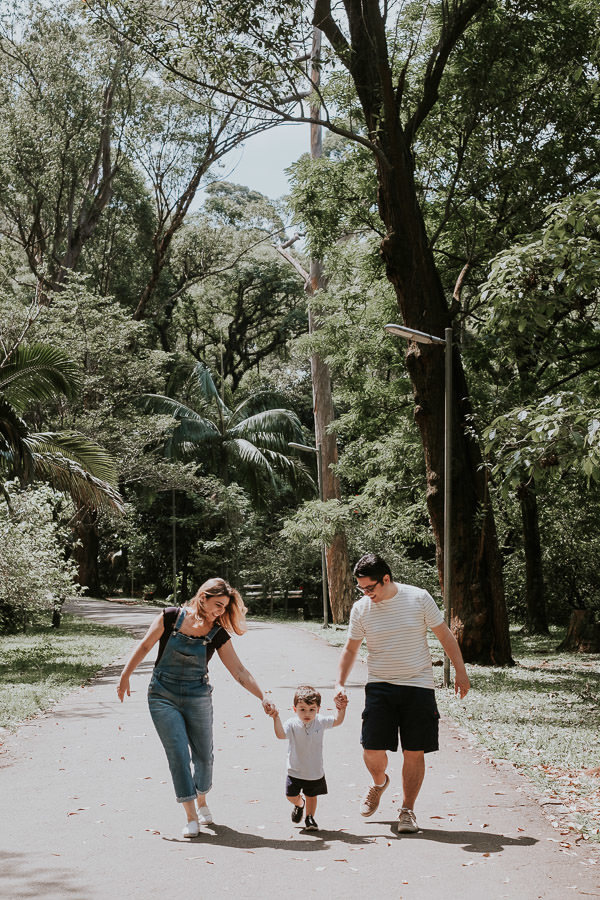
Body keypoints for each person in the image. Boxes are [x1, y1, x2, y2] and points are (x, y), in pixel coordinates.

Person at [117, 577, 274, 837]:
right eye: (218, 605)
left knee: (204, 757)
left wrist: (262, 696)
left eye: (224, 607)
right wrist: (125, 675)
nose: (220, 611)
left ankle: (202, 799)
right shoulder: (170, 617)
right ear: (203, 598)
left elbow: (239, 671)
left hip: (197, 695)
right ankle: (191, 816)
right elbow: (145, 645)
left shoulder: (217, 634)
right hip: (162, 695)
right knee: (178, 753)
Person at [334, 552, 470, 834]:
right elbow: (350, 648)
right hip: (380, 684)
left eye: (370, 587)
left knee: (414, 750)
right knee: (371, 749)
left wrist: (460, 671)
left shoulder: (418, 598)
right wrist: (339, 683)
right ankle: (379, 782)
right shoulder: (361, 609)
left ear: (386, 579)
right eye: (361, 588)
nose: (366, 593)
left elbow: (444, 635)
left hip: (418, 685)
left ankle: (407, 810)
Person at [266, 684, 348, 831]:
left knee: (312, 795)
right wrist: (276, 718)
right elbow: (280, 735)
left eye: (312, 709)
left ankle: (310, 818)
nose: (307, 713)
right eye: (302, 709)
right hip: (295, 770)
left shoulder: (320, 721)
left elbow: (337, 721)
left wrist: (341, 709)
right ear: (295, 709)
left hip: (314, 770)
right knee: (291, 796)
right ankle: (299, 804)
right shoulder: (292, 724)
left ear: (318, 709)